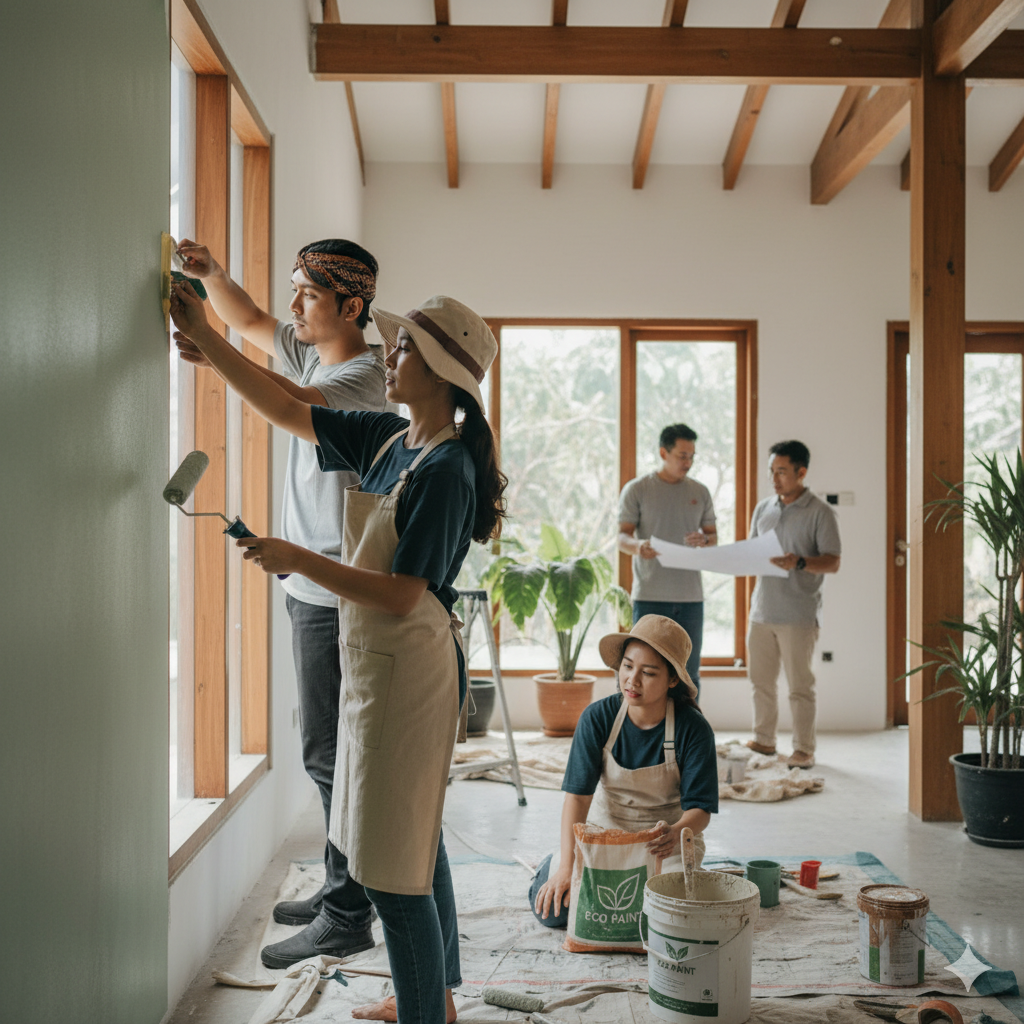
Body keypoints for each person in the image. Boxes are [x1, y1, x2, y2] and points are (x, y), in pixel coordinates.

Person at [170, 283, 506, 1024]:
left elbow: (401, 594)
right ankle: (434, 998)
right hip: (376, 665)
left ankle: (425, 1012)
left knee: (389, 870)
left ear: (442, 373)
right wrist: (211, 341)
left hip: (411, 672)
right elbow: (288, 407)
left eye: (405, 346)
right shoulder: (389, 438)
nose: (389, 353)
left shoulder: (446, 470)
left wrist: (300, 558)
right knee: (412, 840)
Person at [173, 237, 390, 967]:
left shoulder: (362, 378)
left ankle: (349, 912)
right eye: (295, 287)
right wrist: (211, 276)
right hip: (310, 586)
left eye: (309, 292)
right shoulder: (313, 351)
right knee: (325, 751)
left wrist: (209, 344)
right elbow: (250, 319)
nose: (293, 303)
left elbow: (290, 408)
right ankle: (340, 890)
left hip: (335, 592)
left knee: (332, 756)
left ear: (350, 307)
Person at [531, 615, 718, 929]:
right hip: (605, 833)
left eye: (649, 672)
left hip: (665, 845)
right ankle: (551, 863)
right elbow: (577, 798)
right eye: (628, 666)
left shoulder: (693, 728)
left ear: (673, 680)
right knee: (557, 912)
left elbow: (700, 811)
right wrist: (566, 868)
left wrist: (676, 832)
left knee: (669, 918)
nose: (632, 680)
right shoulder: (597, 718)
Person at [745, 440, 841, 770]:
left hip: (799, 614)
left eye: (782, 472)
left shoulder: (821, 512)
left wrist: (798, 562)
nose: (774, 478)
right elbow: (753, 551)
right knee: (760, 682)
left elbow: (832, 562)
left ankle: (803, 749)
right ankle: (764, 740)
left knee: (800, 686)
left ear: (801, 472)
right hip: (761, 611)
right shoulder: (763, 508)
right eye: (772, 471)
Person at [617, 424, 717, 699]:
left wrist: (704, 540)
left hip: (690, 599)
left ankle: (688, 727)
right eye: (682, 456)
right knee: (641, 672)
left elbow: (713, 537)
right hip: (650, 597)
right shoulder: (637, 489)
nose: (688, 462)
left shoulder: (700, 491)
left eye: (692, 456)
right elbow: (622, 537)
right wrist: (638, 546)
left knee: (689, 674)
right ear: (664, 452)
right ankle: (640, 725)